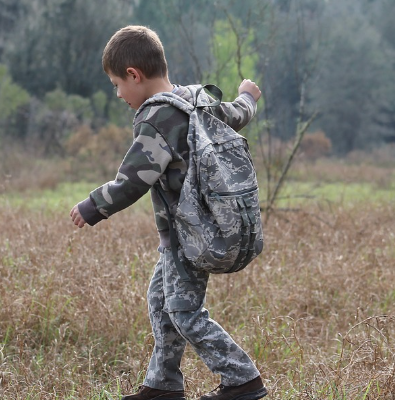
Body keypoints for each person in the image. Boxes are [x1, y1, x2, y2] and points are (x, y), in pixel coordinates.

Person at [70, 25, 267, 400]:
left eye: (116, 84)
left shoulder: (157, 118)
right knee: (161, 301)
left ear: (134, 75)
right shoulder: (195, 99)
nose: (118, 94)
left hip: (191, 230)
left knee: (182, 309)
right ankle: (162, 385)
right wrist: (247, 96)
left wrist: (93, 206)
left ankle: (242, 380)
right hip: (201, 226)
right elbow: (237, 115)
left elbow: (133, 179)